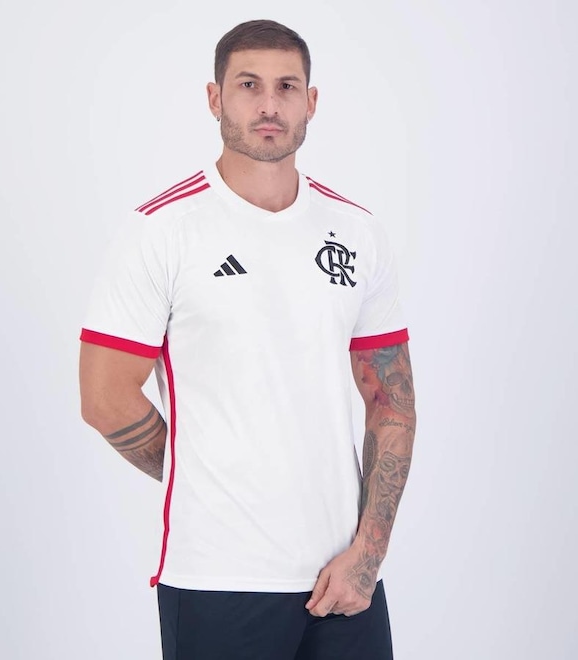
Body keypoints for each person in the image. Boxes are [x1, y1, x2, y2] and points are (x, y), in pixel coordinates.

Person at [79, 18, 416, 660]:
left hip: (345, 579)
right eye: (248, 85)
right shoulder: (162, 229)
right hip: (217, 578)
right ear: (215, 98)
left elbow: (392, 401)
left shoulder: (357, 231)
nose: (268, 104)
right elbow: (104, 398)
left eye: (287, 86)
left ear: (310, 101)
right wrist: (204, 478)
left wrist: (368, 555)